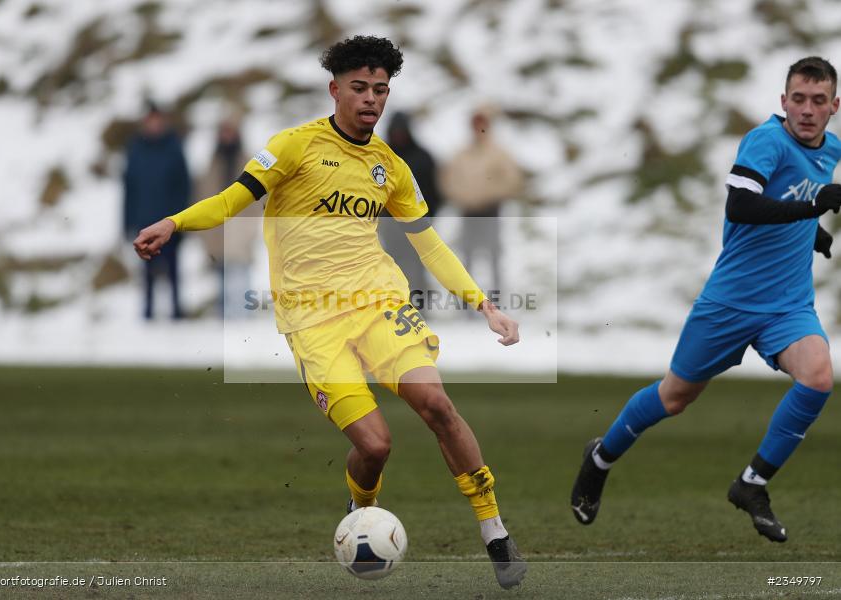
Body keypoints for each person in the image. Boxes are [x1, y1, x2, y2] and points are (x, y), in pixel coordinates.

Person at [132, 36, 526, 588]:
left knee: (436, 404)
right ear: (335, 89)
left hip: (377, 302)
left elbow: (428, 243)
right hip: (312, 321)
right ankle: (359, 507)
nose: (371, 99)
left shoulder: (391, 167)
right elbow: (231, 200)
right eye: (360, 88)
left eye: (381, 90)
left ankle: (495, 533)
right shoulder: (292, 147)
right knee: (375, 445)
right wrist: (173, 223)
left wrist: (483, 304)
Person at [570, 56, 841, 543]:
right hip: (730, 303)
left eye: (818, 101)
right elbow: (741, 204)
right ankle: (600, 458)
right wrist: (809, 208)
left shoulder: (831, 149)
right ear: (783, 102)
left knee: (819, 376)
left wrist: (812, 231)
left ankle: (751, 484)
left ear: (834, 107)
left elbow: (795, 201)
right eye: (798, 99)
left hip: (787, 306)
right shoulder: (765, 141)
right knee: (675, 397)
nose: (807, 109)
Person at [440, 105, 524, 296]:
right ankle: (467, 302)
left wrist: (490, 195)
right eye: (475, 123)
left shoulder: (499, 153)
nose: (478, 127)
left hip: (490, 210)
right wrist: (462, 197)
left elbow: (513, 180)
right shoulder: (461, 154)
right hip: (468, 212)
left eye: (482, 123)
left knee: (493, 256)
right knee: (467, 257)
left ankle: (496, 299)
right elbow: (447, 180)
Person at [123, 101, 191, 320]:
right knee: (147, 273)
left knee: (173, 271)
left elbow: (184, 187)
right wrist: (127, 221)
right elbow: (129, 190)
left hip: (170, 223)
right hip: (145, 222)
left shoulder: (174, 148)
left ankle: (176, 312)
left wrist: (183, 220)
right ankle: (148, 314)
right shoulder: (136, 149)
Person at [196, 116, 261, 319]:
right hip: (218, 229)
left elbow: (258, 197)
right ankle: (222, 316)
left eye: (229, 131)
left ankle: (245, 316)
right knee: (221, 275)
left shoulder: (248, 162)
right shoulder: (213, 163)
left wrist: (249, 226)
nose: (226, 136)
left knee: (241, 274)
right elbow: (204, 193)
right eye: (223, 132)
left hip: (241, 228)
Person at [379, 111, 444, 309]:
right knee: (392, 263)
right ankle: (397, 304)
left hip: (417, 221)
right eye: (395, 131)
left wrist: (426, 216)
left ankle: (421, 305)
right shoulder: (381, 155)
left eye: (402, 131)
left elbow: (435, 191)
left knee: (418, 263)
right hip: (389, 223)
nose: (399, 135)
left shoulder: (423, 158)